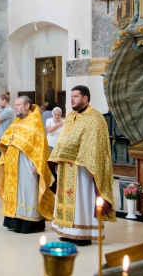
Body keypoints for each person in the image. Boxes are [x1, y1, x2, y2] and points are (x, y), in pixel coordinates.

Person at [49, 85, 115, 245]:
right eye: (71, 96)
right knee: (66, 197)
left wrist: (95, 166)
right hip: (66, 165)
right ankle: (66, 231)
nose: (71, 98)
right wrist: (57, 159)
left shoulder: (95, 118)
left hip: (84, 167)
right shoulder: (70, 116)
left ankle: (83, 232)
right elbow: (63, 140)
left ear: (85, 98)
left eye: (75, 96)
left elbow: (98, 145)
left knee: (82, 199)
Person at [0, 96, 54, 234]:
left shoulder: (35, 121)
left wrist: (37, 164)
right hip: (13, 165)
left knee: (27, 192)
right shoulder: (17, 121)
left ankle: (29, 223)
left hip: (27, 165)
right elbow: (8, 139)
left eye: (18, 105)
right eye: (15, 105)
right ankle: (15, 221)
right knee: (16, 193)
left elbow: (40, 146)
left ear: (27, 105)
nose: (16, 107)